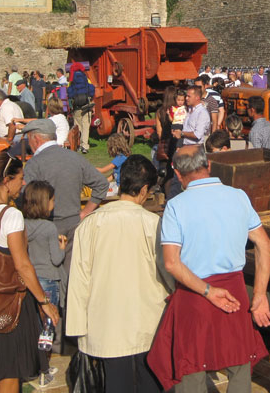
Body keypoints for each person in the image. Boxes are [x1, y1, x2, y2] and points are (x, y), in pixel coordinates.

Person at [148, 145, 270, 392]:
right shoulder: (238, 196)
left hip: (194, 294)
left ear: (177, 174)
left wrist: (208, 291)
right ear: (209, 165)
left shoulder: (175, 206)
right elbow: (265, 244)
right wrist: (259, 295)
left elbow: (171, 262)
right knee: (239, 364)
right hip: (235, 292)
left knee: (191, 368)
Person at [67, 156, 174, 393]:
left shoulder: (90, 224)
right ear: (144, 190)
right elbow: (168, 270)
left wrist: (77, 330)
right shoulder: (153, 224)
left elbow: (78, 280)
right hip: (147, 325)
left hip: (105, 327)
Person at [0, 152, 59, 392]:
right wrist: (44, 302)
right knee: (11, 374)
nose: (23, 183)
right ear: (6, 180)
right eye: (20, 178)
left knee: (1, 375)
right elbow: (22, 265)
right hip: (9, 304)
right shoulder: (11, 215)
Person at [21, 119, 108, 272]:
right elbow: (102, 183)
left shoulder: (35, 164)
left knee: (48, 272)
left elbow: (24, 196)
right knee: (71, 272)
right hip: (73, 223)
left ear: (36, 139)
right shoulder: (74, 157)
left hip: (44, 226)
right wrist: (85, 212)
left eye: (29, 139)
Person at [21, 180, 65, 387]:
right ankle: (44, 369)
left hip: (30, 281)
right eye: (52, 201)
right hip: (48, 281)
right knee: (48, 327)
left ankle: (34, 366)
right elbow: (56, 259)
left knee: (33, 327)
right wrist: (62, 246)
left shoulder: (22, 225)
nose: (54, 205)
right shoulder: (49, 228)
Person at [67, 61, 95, 153]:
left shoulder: (71, 81)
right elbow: (92, 90)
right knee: (86, 125)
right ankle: (85, 146)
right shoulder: (86, 79)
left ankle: (78, 145)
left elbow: (69, 93)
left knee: (78, 126)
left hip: (77, 106)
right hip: (86, 105)